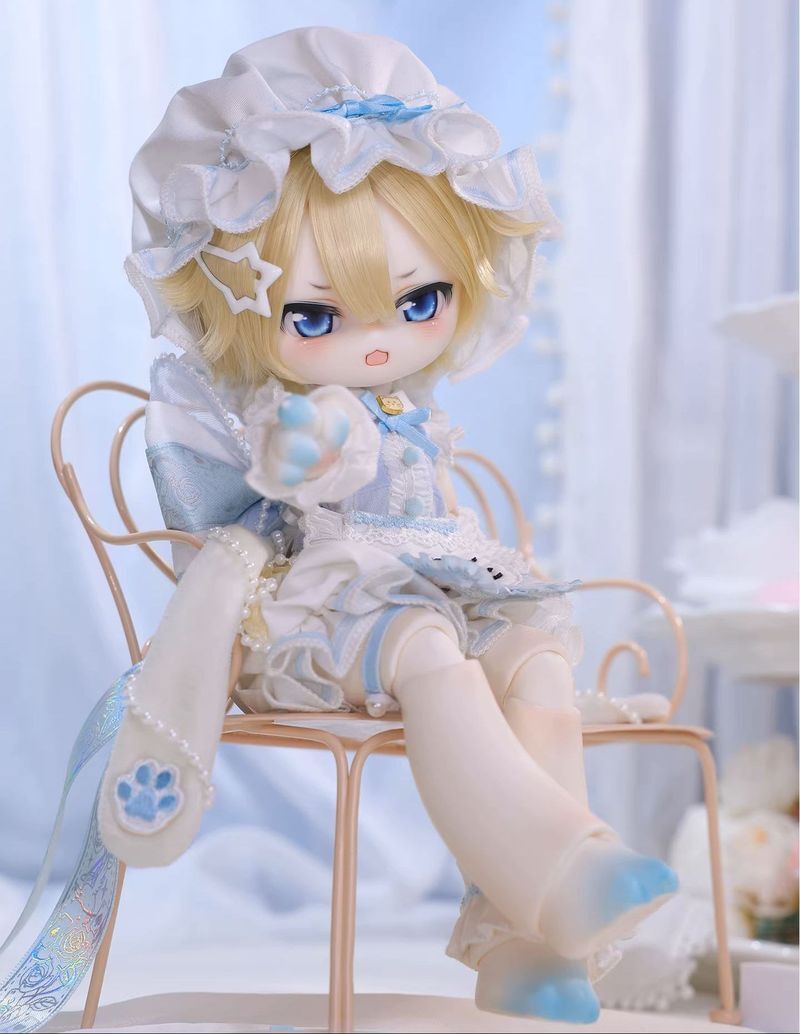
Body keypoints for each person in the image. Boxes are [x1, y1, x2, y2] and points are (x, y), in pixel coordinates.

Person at [95, 28, 678, 1024]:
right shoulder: (304, 413)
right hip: (310, 620)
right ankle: (562, 870)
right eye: (316, 317)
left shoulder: (410, 411)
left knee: (534, 661)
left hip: (429, 592)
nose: (378, 343)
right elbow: (300, 463)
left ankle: (524, 955)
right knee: (427, 654)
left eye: (420, 300)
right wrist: (298, 452)